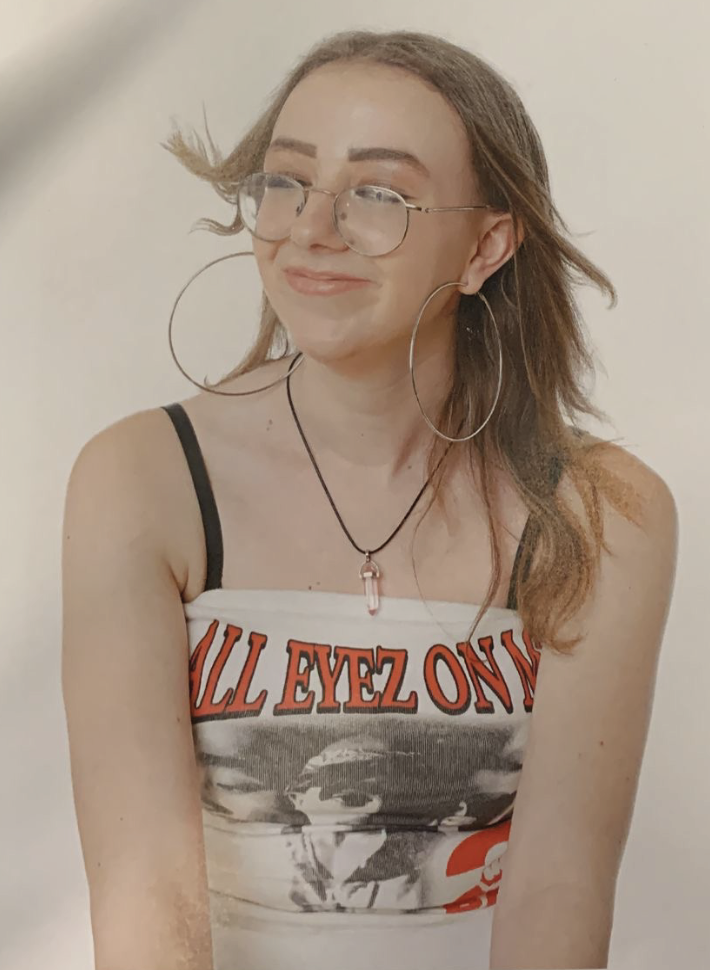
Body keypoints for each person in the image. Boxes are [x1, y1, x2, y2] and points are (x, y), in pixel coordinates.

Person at [60, 27, 678, 970]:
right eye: (288, 180)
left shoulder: (603, 513)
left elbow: (562, 888)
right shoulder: (142, 479)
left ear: (486, 246)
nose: (313, 228)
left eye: (378, 193)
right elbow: (146, 897)